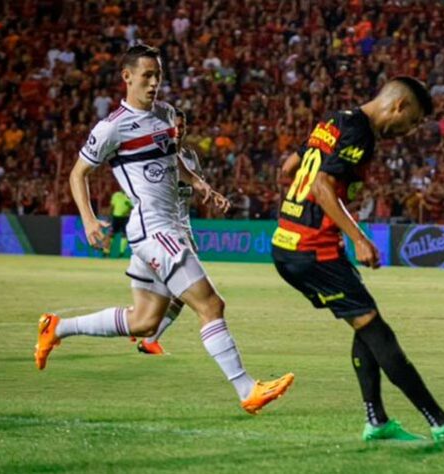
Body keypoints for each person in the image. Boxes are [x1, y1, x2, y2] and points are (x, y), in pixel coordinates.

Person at [34, 44, 294, 415]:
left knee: (144, 322)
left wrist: (200, 184)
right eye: (147, 76)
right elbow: (78, 174)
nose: (155, 83)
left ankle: (56, 328)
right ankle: (247, 389)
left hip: (170, 226)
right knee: (211, 304)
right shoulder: (112, 128)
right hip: (153, 229)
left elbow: (171, 156)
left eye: (158, 76)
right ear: (127, 77)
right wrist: (89, 219)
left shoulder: (167, 114)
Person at [271, 77, 444, 444]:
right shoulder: (361, 133)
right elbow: (321, 185)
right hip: (314, 248)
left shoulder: (334, 120)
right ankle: (440, 422)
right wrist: (358, 238)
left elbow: (287, 168)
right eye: (412, 122)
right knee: (379, 332)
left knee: (365, 322)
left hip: (288, 240)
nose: (407, 131)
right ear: (399, 107)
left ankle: (377, 422)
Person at [134, 107, 203, 355]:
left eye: (183, 125)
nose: (180, 129)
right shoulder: (157, 155)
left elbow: (196, 185)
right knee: (188, 289)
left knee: (174, 288)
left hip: (185, 226)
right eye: (176, 125)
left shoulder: (191, 156)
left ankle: (143, 325)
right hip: (166, 228)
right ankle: (148, 334)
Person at [104, 189, 132, 257]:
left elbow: (132, 208)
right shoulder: (116, 195)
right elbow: (112, 206)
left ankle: (121, 253)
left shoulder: (130, 196)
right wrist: (109, 217)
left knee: (124, 235)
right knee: (110, 234)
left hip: (125, 218)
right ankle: (106, 252)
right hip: (115, 217)